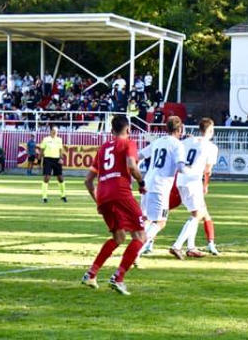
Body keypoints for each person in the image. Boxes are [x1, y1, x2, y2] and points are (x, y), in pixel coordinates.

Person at [81, 115, 147, 295]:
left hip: (103, 196)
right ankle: (118, 278)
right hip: (121, 193)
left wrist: (99, 202)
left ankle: (91, 274)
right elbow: (132, 166)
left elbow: (88, 181)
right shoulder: (128, 143)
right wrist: (141, 183)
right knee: (141, 236)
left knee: (118, 237)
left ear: (111, 131)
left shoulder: (103, 148)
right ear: (128, 130)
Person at [138, 116, 189, 259]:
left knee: (146, 218)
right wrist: (192, 171)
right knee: (160, 222)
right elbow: (180, 166)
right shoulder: (177, 144)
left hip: (147, 183)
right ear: (179, 129)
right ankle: (136, 251)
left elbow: (139, 155)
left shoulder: (158, 141)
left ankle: (139, 248)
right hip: (160, 187)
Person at [170, 118, 220, 258]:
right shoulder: (211, 147)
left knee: (197, 212)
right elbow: (208, 170)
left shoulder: (187, 141)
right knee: (197, 215)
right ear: (210, 130)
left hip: (180, 179)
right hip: (193, 180)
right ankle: (177, 245)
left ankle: (191, 247)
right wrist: (206, 185)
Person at [38, 125, 67, 203]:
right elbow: (42, 150)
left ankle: (63, 195)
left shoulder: (59, 139)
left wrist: (61, 158)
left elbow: (61, 150)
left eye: (56, 131)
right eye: (53, 131)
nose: (55, 132)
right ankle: (44, 197)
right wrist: (39, 160)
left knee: (60, 178)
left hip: (57, 160)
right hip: (48, 159)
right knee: (46, 177)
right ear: (50, 131)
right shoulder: (45, 139)